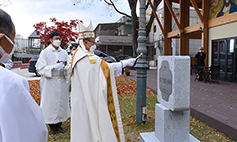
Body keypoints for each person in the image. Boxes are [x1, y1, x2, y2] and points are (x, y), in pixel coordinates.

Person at [70, 20, 136, 142]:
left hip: (81, 98)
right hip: (89, 98)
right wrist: (124, 63)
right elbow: (105, 69)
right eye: (93, 42)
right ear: (85, 42)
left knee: (83, 127)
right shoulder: (87, 58)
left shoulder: (77, 55)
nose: (94, 45)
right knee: (91, 125)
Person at [0, 8, 48, 142]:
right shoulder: (11, 83)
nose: (13, 44)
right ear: (2, 39)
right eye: (13, 38)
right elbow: (34, 132)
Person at [36, 32, 70, 136]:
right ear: (50, 40)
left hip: (61, 81)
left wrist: (65, 68)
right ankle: (52, 127)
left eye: (59, 38)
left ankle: (59, 126)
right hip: (50, 82)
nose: (58, 40)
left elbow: (69, 65)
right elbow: (40, 68)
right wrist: (53, 67)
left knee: (61, 103)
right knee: (50, 104)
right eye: (56, 38)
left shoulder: (64, 52)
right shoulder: (45, 52)